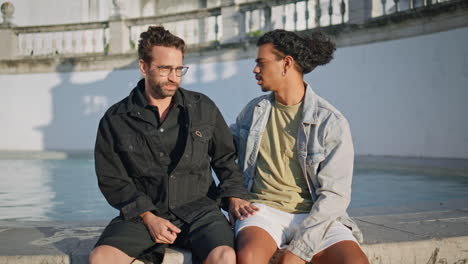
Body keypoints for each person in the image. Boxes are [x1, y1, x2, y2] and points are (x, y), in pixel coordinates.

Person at [89, 26, 256, 264]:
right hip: (144, 213)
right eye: (165, 69)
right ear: (144, 66)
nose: (173, 77)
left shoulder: (203, 107)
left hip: (200, 211)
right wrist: (148, 216)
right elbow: (112, 180)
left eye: (179, 69)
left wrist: (234, 196)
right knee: (101, 258)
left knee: (225, 256)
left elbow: (225, 159)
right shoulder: (115, 119)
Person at [231, 29, 369, 264]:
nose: (255, 70)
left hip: (316, 215)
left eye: (261, 63)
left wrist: (299, 250)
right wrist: (231, 195)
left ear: (286, 63)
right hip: (263, 210)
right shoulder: (253, 112)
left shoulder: (330, 121)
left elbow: (335, 196)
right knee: (249, 257)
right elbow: (221, 152)